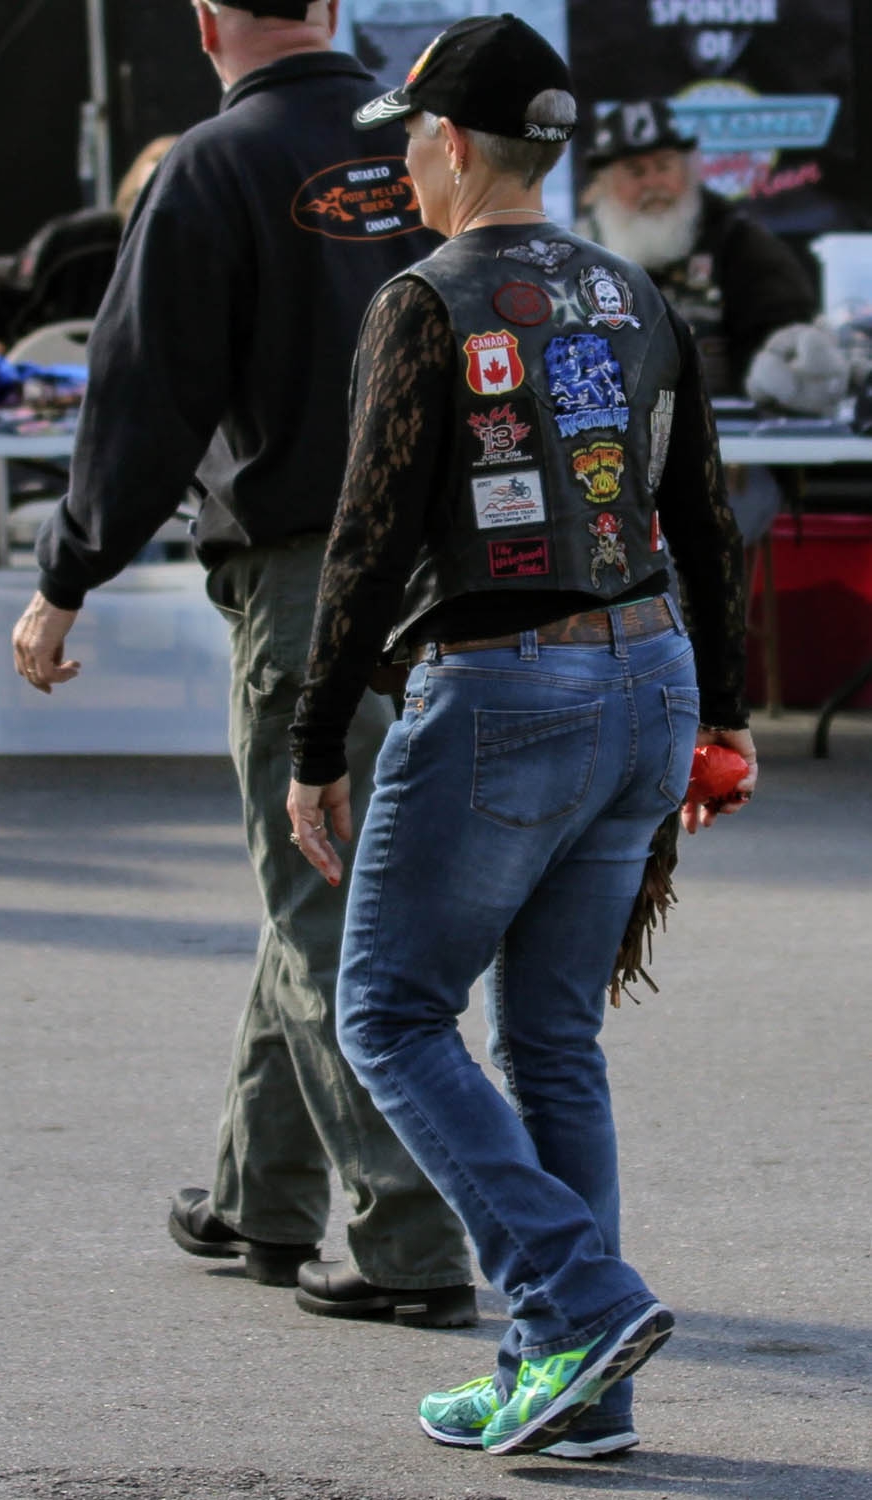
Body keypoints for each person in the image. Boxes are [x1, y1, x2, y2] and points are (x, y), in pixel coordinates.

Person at [287, 14, 756, 1460]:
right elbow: (703, 521)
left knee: (383, 1013)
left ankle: (578, 1294)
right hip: (647, 675)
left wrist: (315, 739)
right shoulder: (635, 291)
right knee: (549, 1042)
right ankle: (579, 1390)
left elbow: (365, 543)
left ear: (446, 144)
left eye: (410, 140)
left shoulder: (423, 300)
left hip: (507, 690)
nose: (406, 166)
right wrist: (724, 713)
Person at [10, 0, 475, 1329]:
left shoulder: (214, 164)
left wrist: (64, 575)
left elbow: (143, 388)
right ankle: (258, 1198)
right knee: (335, 892)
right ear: (333, 8)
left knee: (326, 904)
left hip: (309, 574)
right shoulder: (445, 143)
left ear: (204, 19)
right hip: (465, 576)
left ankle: (408, 1240)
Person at [576, 98, 847, 544]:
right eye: (635, 173)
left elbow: (787, 337)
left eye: (663, 166)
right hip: (605, 459)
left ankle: (695, 614)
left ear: (689, 170)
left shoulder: (738, 242)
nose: (653, 184)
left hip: (725, 457)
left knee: (691, 534)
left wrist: (784, 371)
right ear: (604, 184)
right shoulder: (575, 253)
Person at [0, 137, 178, 350]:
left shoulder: (200, 259)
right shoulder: (73, 241)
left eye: (166, 204)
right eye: (140, 198)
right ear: (127, 193)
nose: (148, 215)